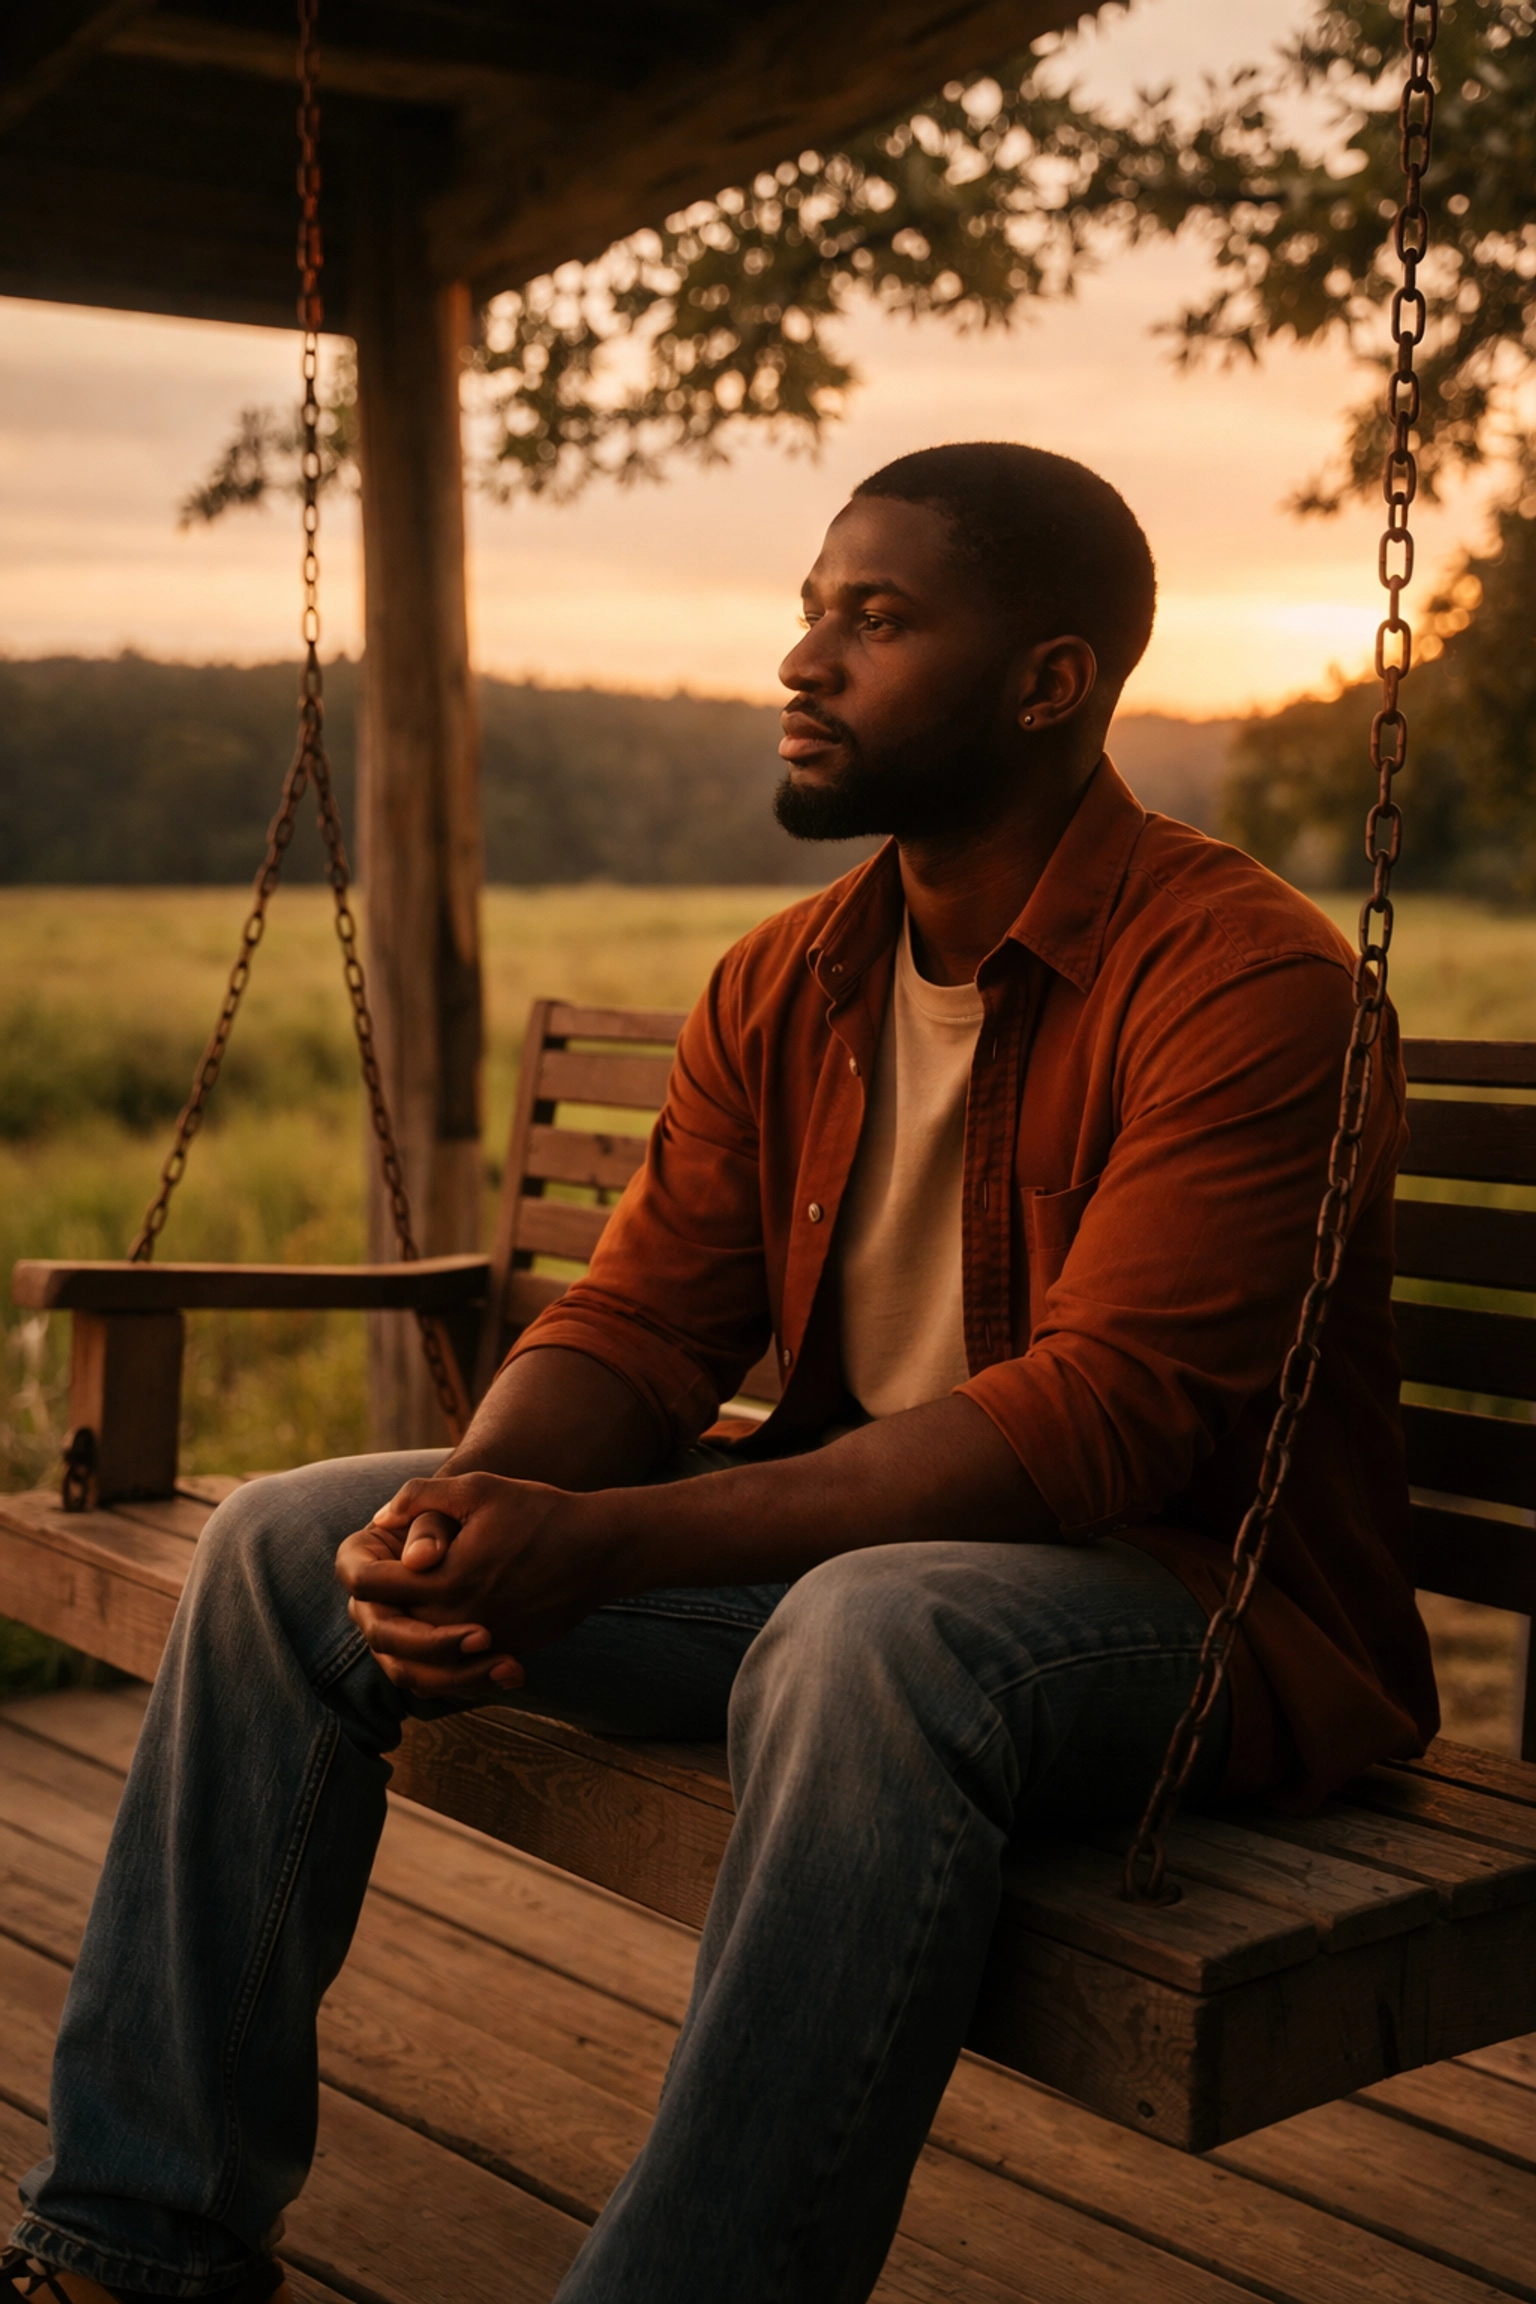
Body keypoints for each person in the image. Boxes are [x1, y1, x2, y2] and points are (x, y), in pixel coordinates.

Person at [5, 443, 1437, 2304]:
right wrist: (476, 1504)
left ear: (1049, 681)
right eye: (809, 608)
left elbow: (1106, 1421)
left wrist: (601, 1550)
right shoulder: (788, 981)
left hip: (1184, 1616)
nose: (803, 660)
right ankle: (135, 2242)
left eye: (876, 618)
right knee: (296, 1543)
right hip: (851, 1569)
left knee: (876, 1632)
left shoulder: (1246, 982)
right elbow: (642, 1323)